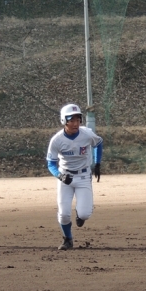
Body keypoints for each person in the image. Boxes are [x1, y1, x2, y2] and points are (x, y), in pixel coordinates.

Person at [46, 104, 103, 250]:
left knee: (84, 214)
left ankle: (80, 215)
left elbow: (98, 143)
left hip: (83, 176)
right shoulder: (57, 140)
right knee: (64, 214)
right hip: (65, 177)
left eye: (78, 120)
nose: (75, 123)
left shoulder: (87, 134)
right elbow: (51, 164)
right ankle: (68, 239)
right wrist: (60, 176)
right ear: (64, 121)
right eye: (71, 120)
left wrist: (97, 163)